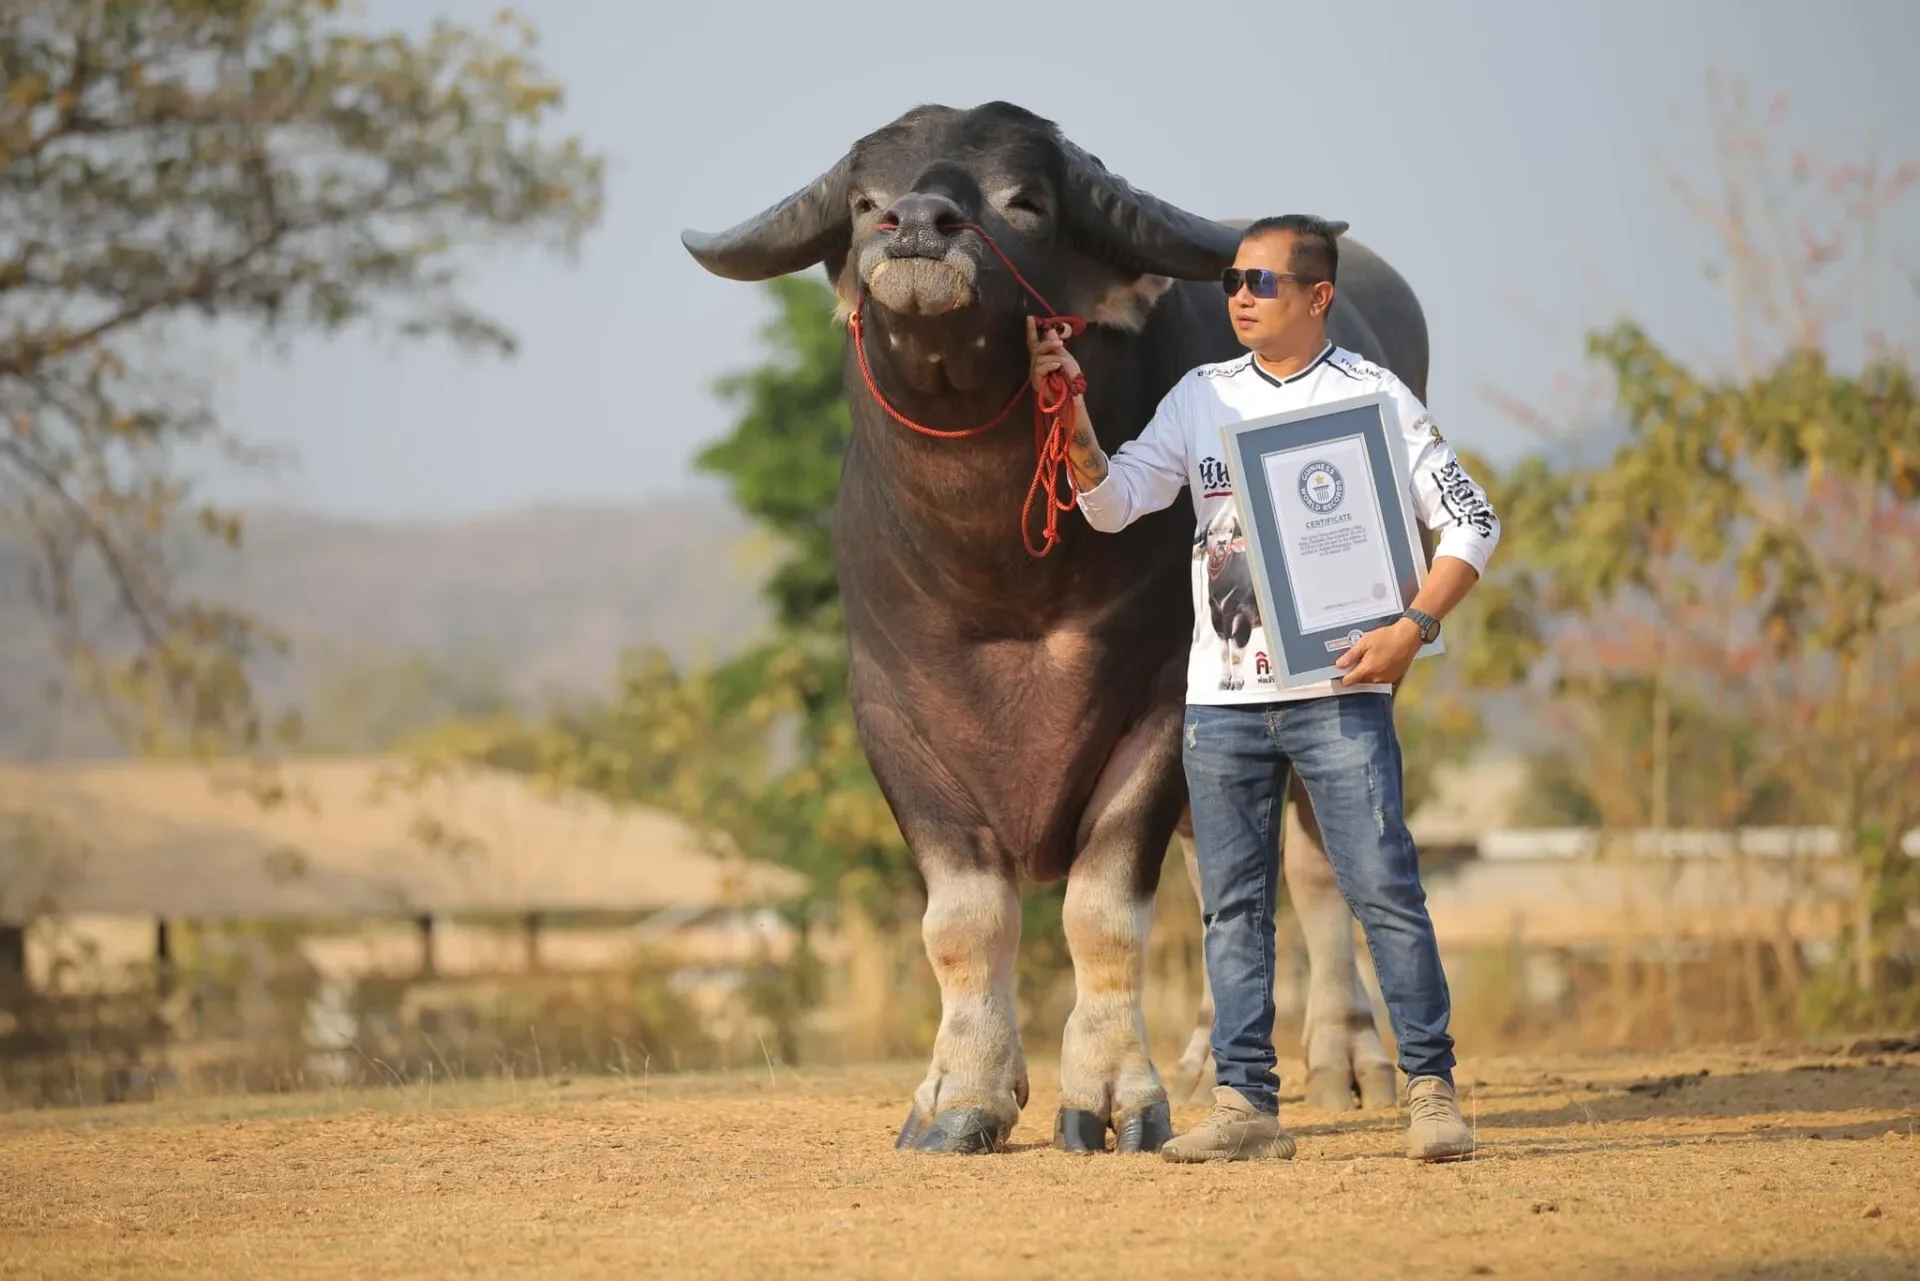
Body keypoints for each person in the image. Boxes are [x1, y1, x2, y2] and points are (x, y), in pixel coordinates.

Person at [1027, 214, 1500, 1163]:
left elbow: (1473, 520)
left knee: (1386, 894)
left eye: (1262, 282)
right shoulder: (1199, 397)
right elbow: (1116, 502)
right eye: (1234, 280)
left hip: (1341, 694)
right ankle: (1247, 1107)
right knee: (1231, 907)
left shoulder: (1374, 395)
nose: (1238, 296)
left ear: (1319, 298)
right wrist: (1068, 412)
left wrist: (1414, 628)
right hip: (1222, 701)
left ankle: (1433, 1094)